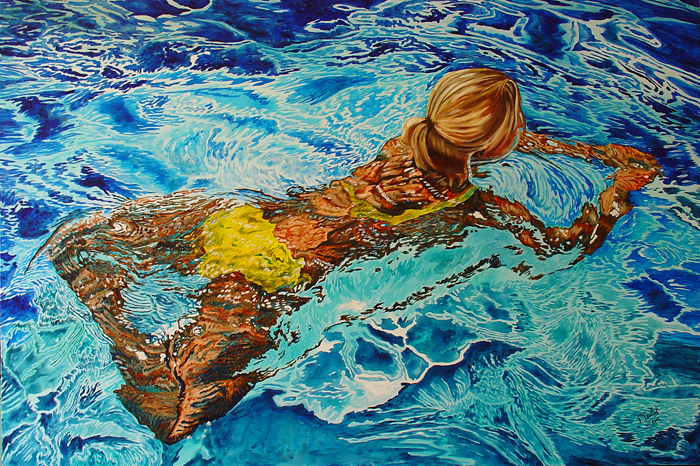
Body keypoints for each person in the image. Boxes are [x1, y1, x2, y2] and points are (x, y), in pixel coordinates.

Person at [47, 68, 660, 444]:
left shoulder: (402, 143)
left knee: (79, 250)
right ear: (498, 144)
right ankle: (143, 363)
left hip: (251, 225)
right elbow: (562, 253)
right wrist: (616, 194)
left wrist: (587, 150)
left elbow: (480, 137)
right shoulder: (485, 215)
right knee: (173, 418)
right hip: (284, 280)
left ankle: (123, 333)